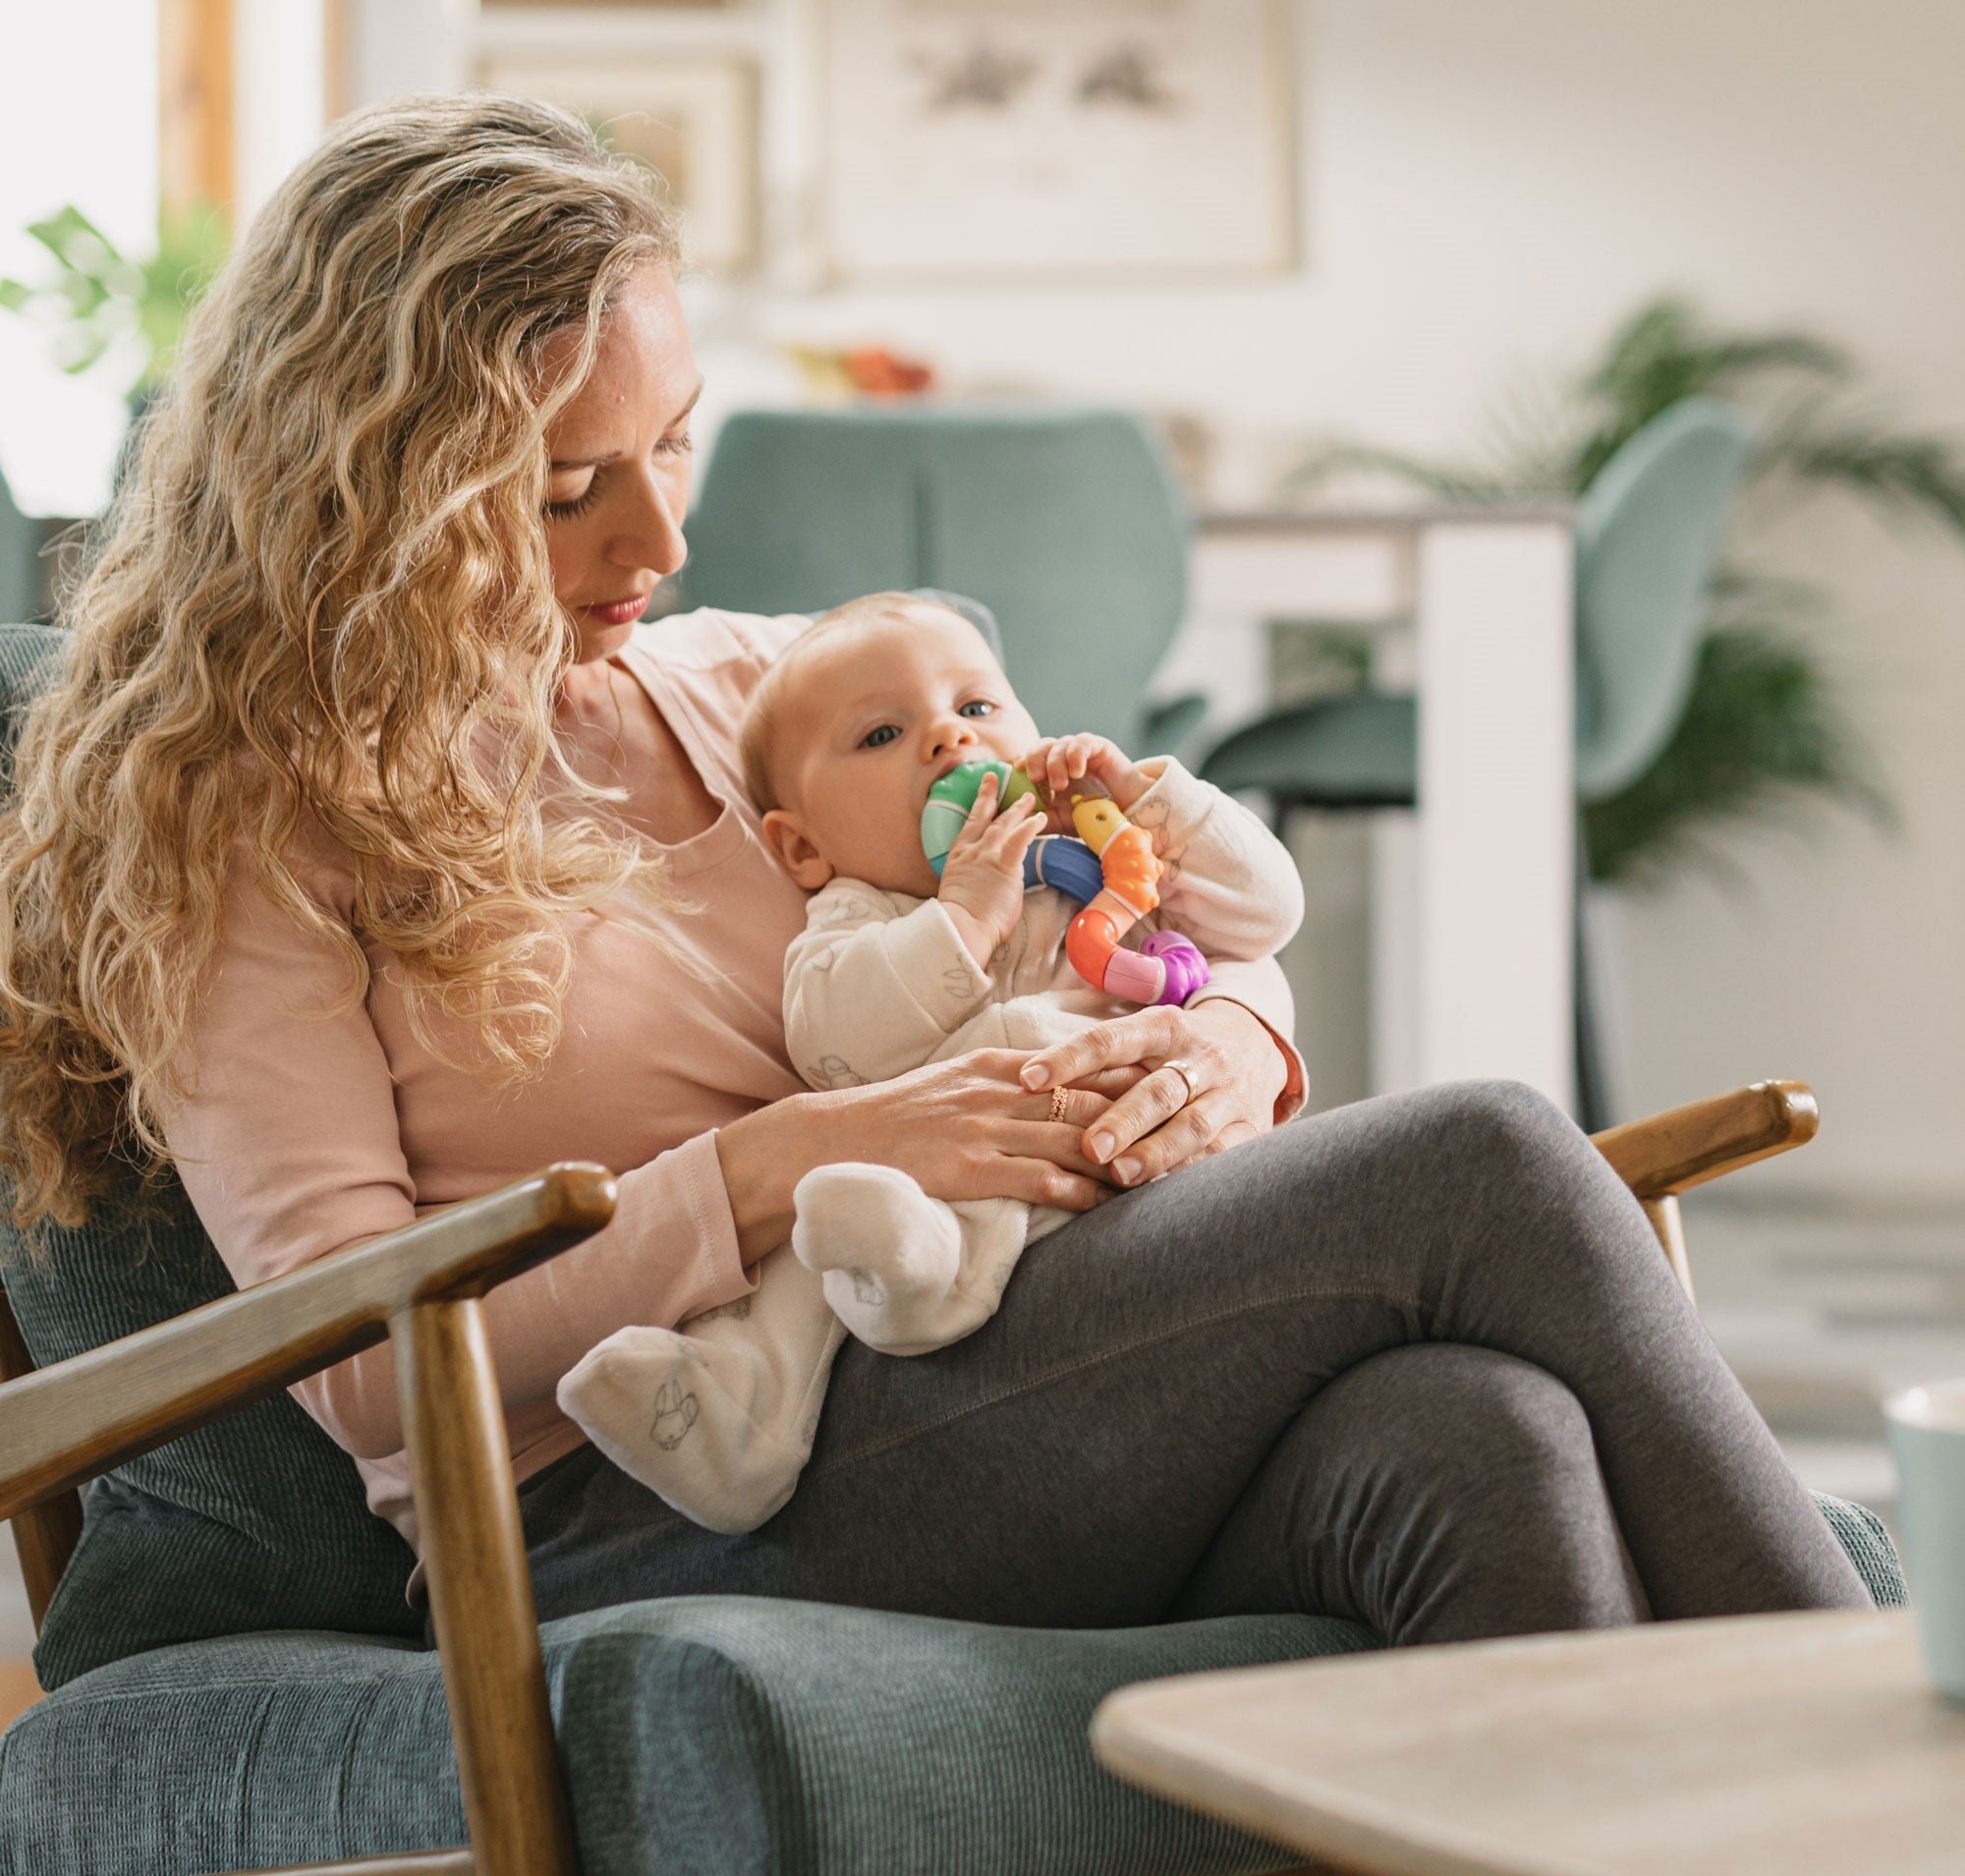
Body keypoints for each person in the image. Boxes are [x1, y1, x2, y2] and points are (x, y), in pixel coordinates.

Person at [0, 94, 1868, 1650]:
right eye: (566, 488)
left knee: (1479, 1445)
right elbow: (357, 1364)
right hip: (651, 1495)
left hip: (995, 1346)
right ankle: (1874, 1776)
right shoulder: (248, 825)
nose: (656, 530)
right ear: (370, 480)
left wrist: (1232, 1055)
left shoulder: (763, 682)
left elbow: (1126, 902)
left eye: (673, 445)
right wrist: (774, 1164)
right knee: (1483, 1165)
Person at [559, 591, 1305, 1532]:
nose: (949, 740)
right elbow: (841, 1049)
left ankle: (907, 1274)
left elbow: (1267, 914)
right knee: (816, 1225)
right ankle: (743, 1417)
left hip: (1136, 1172)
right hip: (949, 1188)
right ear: (802, 846)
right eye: (881, 735)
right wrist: (961, 920)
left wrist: (1153, 798)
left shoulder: (1100, 853)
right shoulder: (858, 916)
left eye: (978, 708)